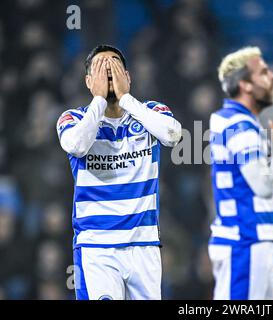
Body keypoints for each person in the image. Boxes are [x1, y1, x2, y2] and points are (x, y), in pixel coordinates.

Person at [56, 44, 182, 300]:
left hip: (144, 244)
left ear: (128, 77)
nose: (109, 72)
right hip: (97, 247)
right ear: (89, 82)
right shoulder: (73, 118)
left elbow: (173, 135)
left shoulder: (151, 112)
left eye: (114, 65)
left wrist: (125, 99)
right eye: (101, 68)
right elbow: (76, 145)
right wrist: (100, 101)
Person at [208, 47, 273, 299]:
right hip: (245, 242)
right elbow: (264, 186)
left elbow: (258, 186)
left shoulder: (238, 122)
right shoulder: (240, 126)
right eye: (264, 72)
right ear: (246, 85)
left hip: (251, 239)